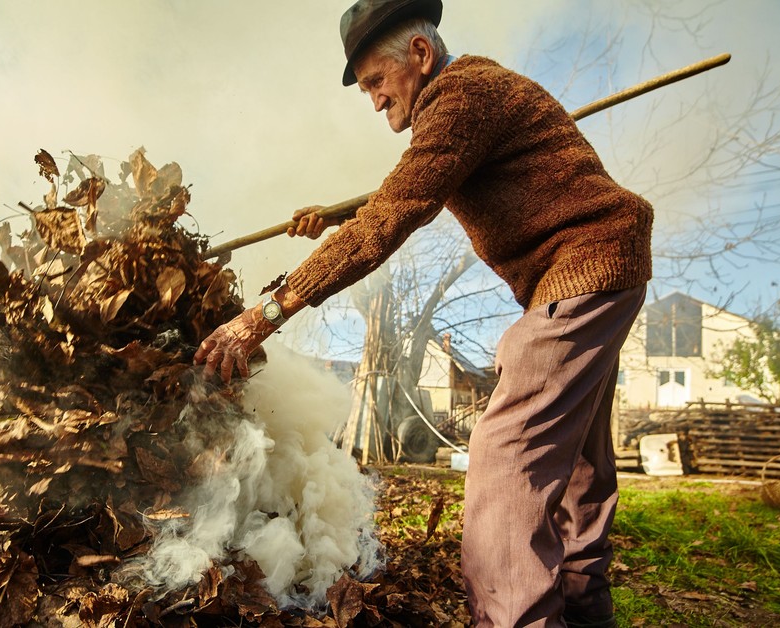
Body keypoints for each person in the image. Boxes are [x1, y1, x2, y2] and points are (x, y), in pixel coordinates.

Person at [194, 1, 652, 626]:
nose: (375, 102)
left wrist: (266, 312)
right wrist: (332, 217)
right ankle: (583, 607)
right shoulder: (470, 99)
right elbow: (395, 195)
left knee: (508, 452)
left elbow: (393, 214)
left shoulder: (461, 97)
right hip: (608, 267)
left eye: (376, 82)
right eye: (366, 91)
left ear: (419, 53)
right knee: (576, 459)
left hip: (584, 268)